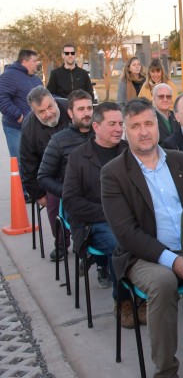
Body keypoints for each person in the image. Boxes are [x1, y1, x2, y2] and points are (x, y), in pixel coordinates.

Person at [100, 98, 183, 378]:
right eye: (135, 126)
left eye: (149, 124)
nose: (144, 132)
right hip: (144, 255)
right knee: (163, 283)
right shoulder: (113, 174)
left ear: (158, 126)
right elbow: (126, 234)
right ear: (125, 133)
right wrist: (172, 261)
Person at [62, 102, 127, 298]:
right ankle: (124, 301)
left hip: (129, 219)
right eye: (112, 124)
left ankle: (146, 295)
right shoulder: (78, 156)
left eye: (120, 123)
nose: (118, 129)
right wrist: (110, 214)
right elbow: (71, 201)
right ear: (96, 127)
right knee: (121, 246)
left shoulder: (128, 151)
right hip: (94, 224)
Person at [19, 87, 69, 260]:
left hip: (78, 170)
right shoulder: (29, 127)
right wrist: (38, 194)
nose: (48, 114)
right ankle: (62, 242)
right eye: (41, 111)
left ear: (54, 100)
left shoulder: (70, 109)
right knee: (53, 203)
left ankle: (90, 244)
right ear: (33, 112)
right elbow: (28, 166)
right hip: (52, 176)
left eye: (50, 107)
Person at [37, 90, 94, 209]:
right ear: (70, 113)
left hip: (105, 201)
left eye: (89, 108)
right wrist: (68, 192)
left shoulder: (103, 135)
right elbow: (43, 177)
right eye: (81, 109)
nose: (87, 113)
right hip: (75, 206)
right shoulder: (58, 141)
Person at [1, 49, 42, 158]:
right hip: (15, 127)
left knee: (34, 161)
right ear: (24, 61)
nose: (37, 63)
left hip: (34, 128)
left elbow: (45, 97)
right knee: (20, 161)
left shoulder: (36, 79)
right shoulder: (9, 76)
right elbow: (2, 98)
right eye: (34, 61)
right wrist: (18, 115)